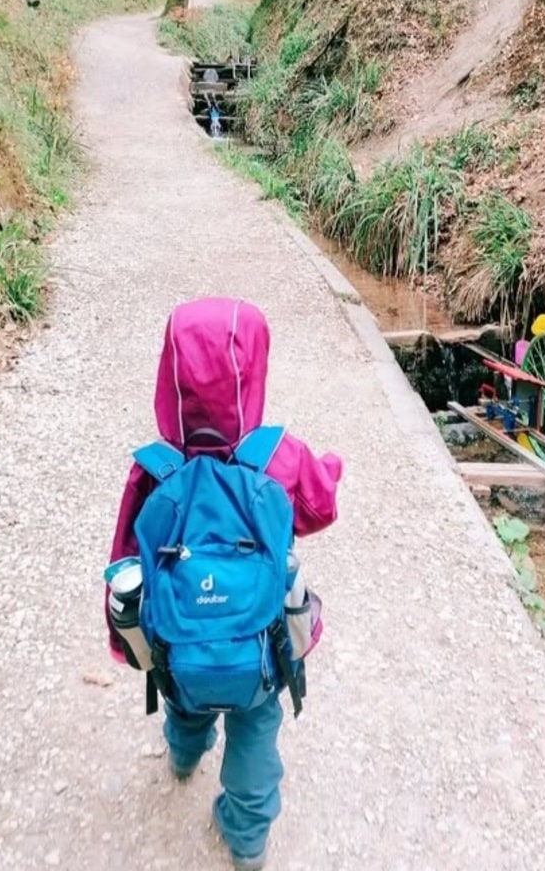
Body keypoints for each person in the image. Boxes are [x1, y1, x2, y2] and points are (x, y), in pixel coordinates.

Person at [106, 296, 343, 870]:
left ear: (170, 375)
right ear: (255, 371)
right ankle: (247, 838)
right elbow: (320, 509)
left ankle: (184, 755)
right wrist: (330, 466)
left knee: (184, 701)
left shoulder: (155, 467)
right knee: (256, 732)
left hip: (178, 651)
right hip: (260, 649)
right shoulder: (278, 456)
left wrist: (121, 638)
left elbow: (126, 555)